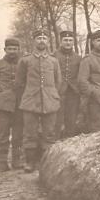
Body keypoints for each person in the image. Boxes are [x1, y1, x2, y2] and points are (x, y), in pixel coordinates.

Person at [15, 28, 61, 173]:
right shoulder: (25, 60)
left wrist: (51, 94)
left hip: (50, 100)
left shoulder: (53, 61)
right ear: (34, 41)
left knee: (49, 132)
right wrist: (29, 94)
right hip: (31, 101)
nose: (41, 40)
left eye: (44, 38)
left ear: (48, 41)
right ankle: (30, 162)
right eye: (39, 38)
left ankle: (47, 162)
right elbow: (19, 82)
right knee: (30, 133)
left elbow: (57, 82)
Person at [0, 38, 23, 171]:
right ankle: (2, 162)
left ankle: (16, 161)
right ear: (5, 50)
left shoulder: (24, 63)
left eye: (15, 49)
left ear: (18, 50)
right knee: (3, 134)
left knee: (18, 133)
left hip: (20, 104)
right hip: (3, 105)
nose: (12, 51)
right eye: (9, 49)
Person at [53, 30, 81, 139]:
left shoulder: (78, 58)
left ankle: (69, 143)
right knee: (57, 120)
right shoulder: (53, 56)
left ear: (73, 42)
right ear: (61, 41)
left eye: (70, 40)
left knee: (71, 119)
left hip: (73, 92)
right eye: (65, 40)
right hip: (58, 92)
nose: (68, 42)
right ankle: (55, 144)